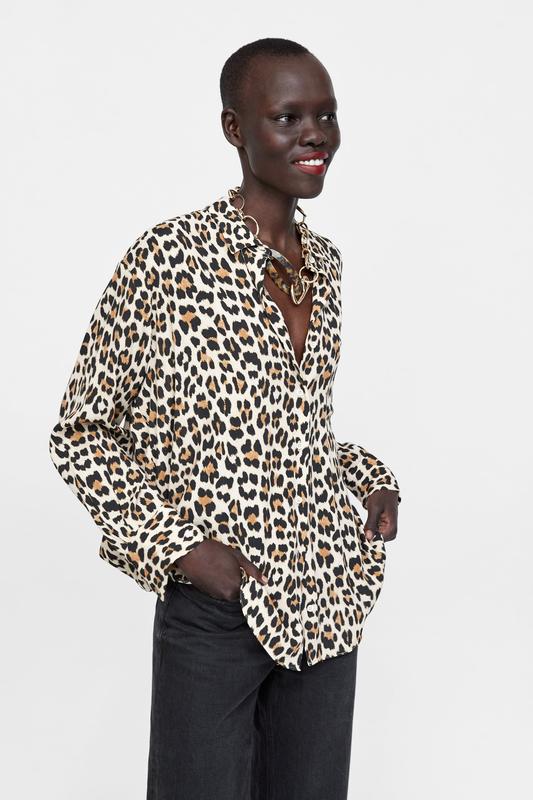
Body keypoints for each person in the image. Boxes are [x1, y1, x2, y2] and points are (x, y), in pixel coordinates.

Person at [49, 37, 401, 800]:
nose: (314, 135)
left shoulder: (324, 266)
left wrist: (370, 481)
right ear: (234, 128)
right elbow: (81, 432)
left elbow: (294, 428)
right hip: (217, 609)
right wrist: (180, 548)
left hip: (325, 595)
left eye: (326, 116)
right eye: (287, 117)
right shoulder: (168, 260)